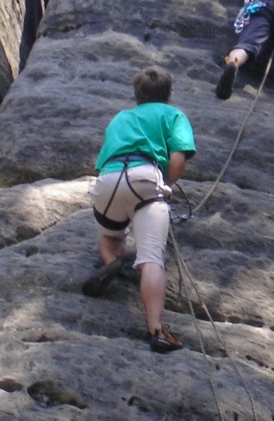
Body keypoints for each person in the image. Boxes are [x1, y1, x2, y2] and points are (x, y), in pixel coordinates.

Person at [82, 66, 196, 353]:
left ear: (137, 95)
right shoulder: (173, 115)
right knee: (151, 259)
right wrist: (164, 184)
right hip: (146, 179)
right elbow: (178, 162)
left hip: (108, 182)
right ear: (167, 94)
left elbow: (103, 159)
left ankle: (111, 261)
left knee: (110, 236)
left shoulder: (120, 118)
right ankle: (156, 330)